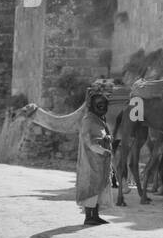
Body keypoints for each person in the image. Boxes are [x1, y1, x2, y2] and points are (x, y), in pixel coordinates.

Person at [20, 81, 117, 226]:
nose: (102, 108)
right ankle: (89, 217)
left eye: (104, 105)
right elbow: (90, 141)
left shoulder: (97, 120)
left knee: (97, 188)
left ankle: (94, 216)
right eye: (100, 105)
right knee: (91, 187)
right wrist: (103, 149)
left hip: (98, 160)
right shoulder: (89, 121)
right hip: (92, 160)